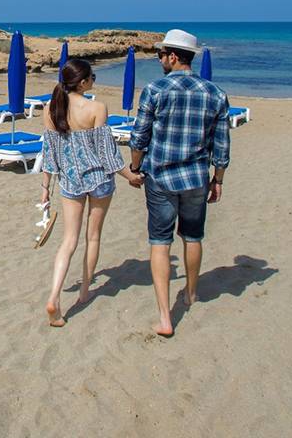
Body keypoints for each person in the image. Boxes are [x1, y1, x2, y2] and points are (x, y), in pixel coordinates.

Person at [128, 29, 230, 337]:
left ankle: (164, 316)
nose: (159, 58)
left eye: (161, 54)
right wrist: (218, 179)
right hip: (197, 177)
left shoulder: (155, 90)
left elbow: (139, 137)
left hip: (160, 175)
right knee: (193, 236)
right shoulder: (215, 93)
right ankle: (191, 292)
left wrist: (134, 167)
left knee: (160, 242)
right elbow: (221, 145)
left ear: (173, 56)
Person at [39, 57, 141, 327]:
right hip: (98, 181)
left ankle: (54, 297)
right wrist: (132, 176)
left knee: (68, 240)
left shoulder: (50, 109)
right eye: (92, 77)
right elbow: (108, 156)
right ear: (82, 82)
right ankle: (85, 291)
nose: (94, 80)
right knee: (92, 237)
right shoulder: (97, 107)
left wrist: (45, 189)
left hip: (69, 181)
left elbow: (49, 155)